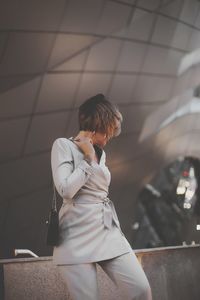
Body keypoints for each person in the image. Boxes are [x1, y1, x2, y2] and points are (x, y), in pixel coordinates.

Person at [51, 94, 152, 300]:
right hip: (76, 234)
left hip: (107, 230)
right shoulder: (63, 146)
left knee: (140, 289)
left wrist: (93, 155)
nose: (109, 138)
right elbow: (66, 190)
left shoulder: (101, 152)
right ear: (98, 124)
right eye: (108, 132)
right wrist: (87, 159)